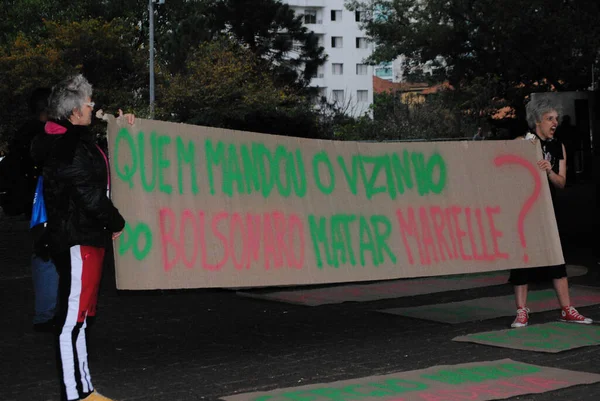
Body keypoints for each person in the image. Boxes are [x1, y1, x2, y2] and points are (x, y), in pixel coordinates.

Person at [31, 74, 134, 401]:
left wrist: (126, 127)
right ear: (74, 111)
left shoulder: (76, 142)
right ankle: (76, 394)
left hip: (85, 237)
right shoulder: (69, 147)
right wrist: (115, 220)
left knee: (79, 321)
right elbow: (89, 195)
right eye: (88, 102)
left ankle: (83, 390)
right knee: (71, 322)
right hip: (78, 239)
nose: (93, 106)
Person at [510, 97, 592, 328]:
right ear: (537, 121)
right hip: (524, 210)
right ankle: (521, 311)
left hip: (548, 209)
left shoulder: (558, 147)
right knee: (523, 259)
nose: (555, 123)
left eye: (556, 118)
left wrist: (549, 171)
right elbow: (509, 173)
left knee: (556, 259)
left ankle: (567, 309)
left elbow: (561, 182)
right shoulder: (522, 142)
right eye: (549, 119)